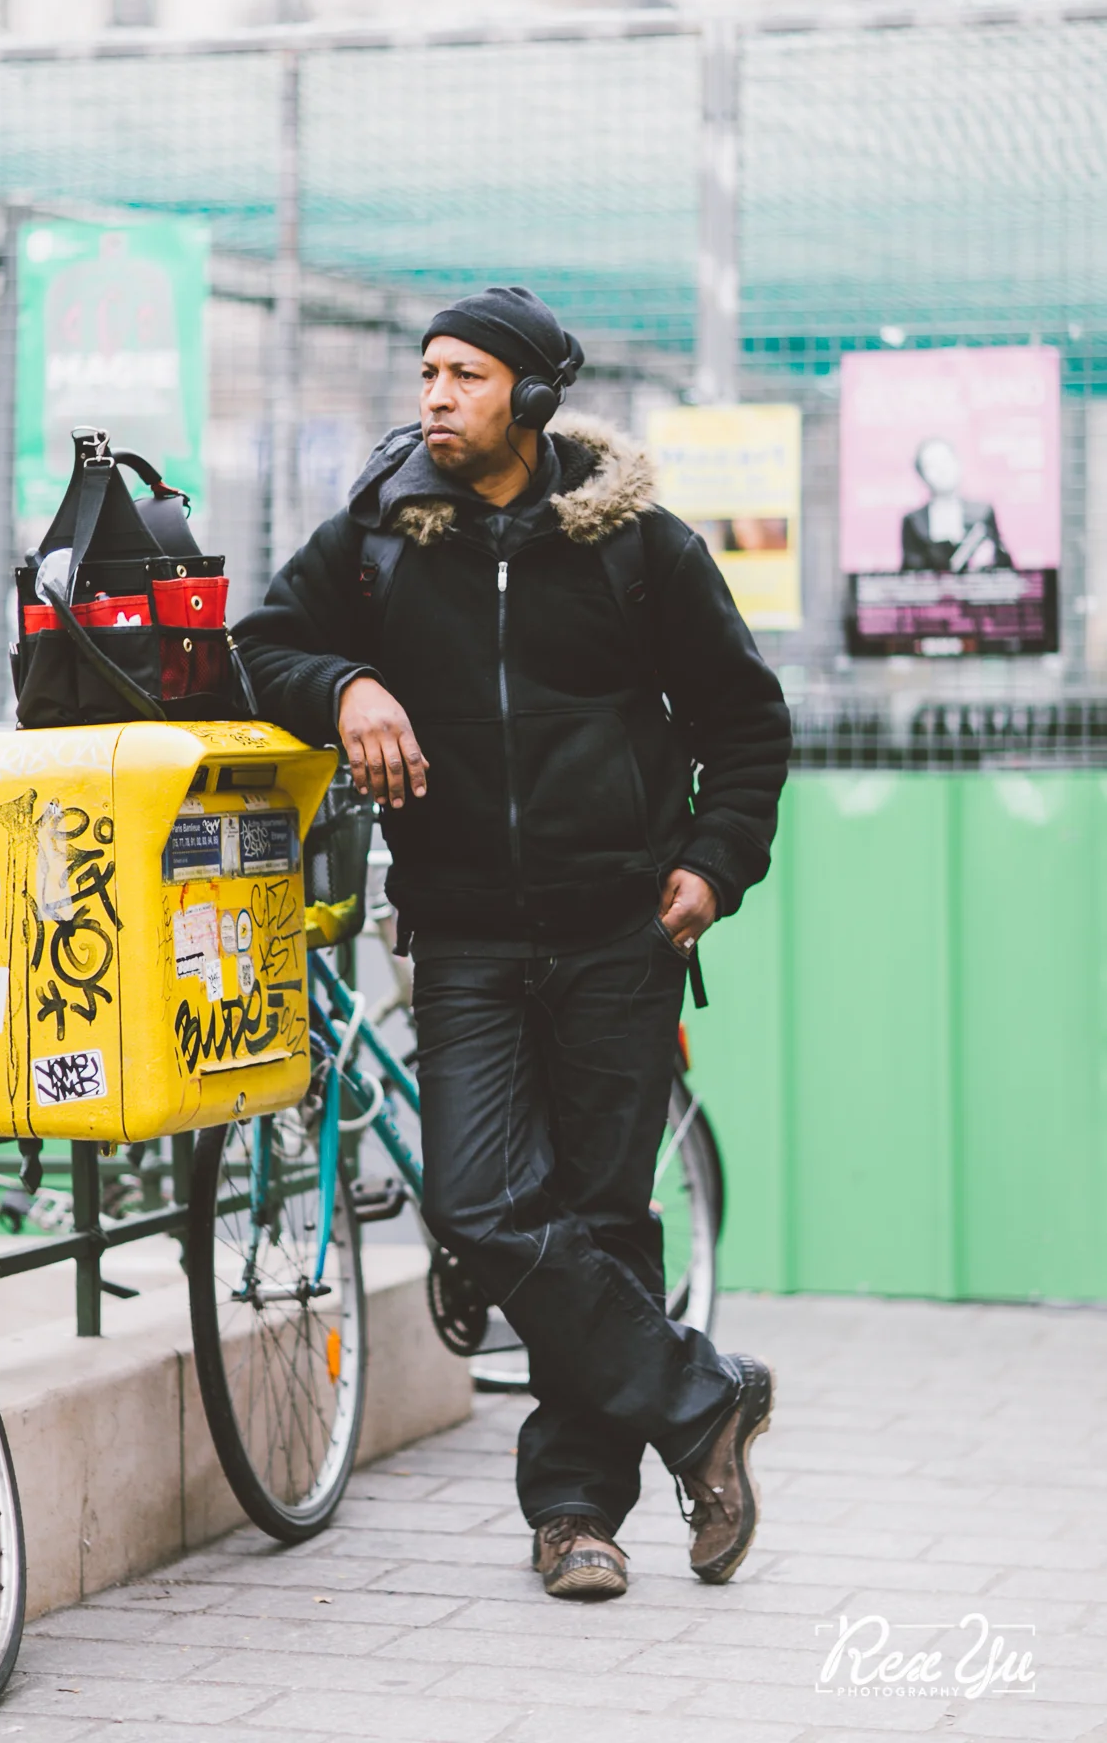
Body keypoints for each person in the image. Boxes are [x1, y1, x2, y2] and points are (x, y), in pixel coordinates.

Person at [237, 285, 792, 1601]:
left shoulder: (640, 548)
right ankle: (701, 1400)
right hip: (466, 933)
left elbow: (745, 724)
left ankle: (575, 1515)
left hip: (621, 932)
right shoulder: (376, 543)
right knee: (478, 1202)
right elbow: (263, 646)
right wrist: (348, 685)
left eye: (467, 376)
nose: (436, 396)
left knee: (603, 1218)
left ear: (531, 400)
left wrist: (714, 866)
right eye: (428, 371)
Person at [900, 437, 1012, 573]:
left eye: (945, 460)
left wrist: (990, 558)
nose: (941, 470)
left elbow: (1005, 567)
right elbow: (909, 572)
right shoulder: (914, 520)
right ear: (921, 475)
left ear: (958, 462)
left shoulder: (982, 513)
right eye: (931, 465)